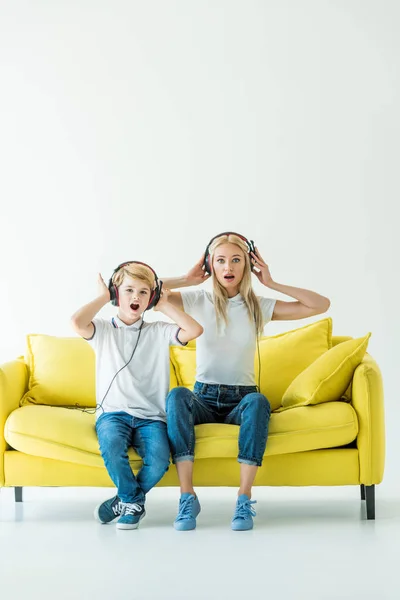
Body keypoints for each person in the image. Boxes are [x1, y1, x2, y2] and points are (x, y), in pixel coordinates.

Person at [163, 233, 330, 531]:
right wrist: (187, 280)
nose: (229, 267)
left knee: (258, 402)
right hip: (203, 397)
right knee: (176, 395)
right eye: (221, 260)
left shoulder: (259, 306)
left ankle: (243, 498)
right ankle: (187, 496)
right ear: (210, 265)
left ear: (248, 265)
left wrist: (272, 283)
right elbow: (142, 291)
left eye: (236, 260)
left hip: (242, 400)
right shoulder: (196, 299)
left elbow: (320, 304)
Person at [71, 261, 203, 530]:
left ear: (151, 298)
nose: (136, 297)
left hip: (151, 417)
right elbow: (76, 321)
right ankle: (133, 502)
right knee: (112, 447)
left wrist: (164, 305)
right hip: (113, 414)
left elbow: (194, 330)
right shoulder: (102, 330)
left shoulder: (158, 331)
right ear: (116, 295)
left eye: (144, 292)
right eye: (129, 290)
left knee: (158, 461)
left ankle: (124, 502)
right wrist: (103, 296)